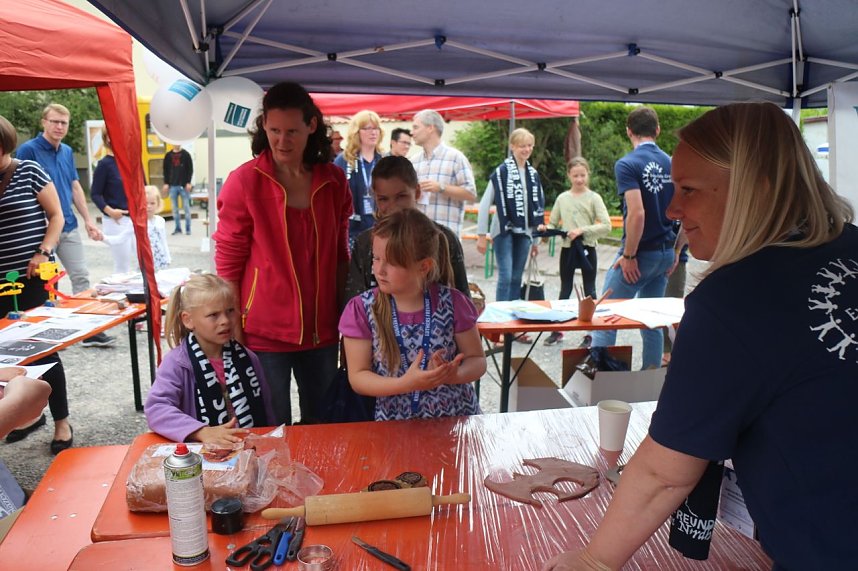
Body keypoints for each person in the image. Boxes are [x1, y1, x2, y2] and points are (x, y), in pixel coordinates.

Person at [543, 102, 858, 570]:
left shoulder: (738, 296)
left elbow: (664, 473)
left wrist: (592, 561)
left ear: (758, 190)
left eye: (688, 189)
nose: (672, 209)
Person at [214, 82, 352, 426]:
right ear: (264, 127)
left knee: (324, 426)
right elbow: (228, 264)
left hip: (322, 331)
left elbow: (340, 258)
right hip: (263, 333)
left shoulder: (334, 180)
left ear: (311, 126)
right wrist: (234, 328)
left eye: (291, 131)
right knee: (269, 430)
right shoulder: (244, 182)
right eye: (274, 130)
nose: (282, 141)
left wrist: (346, 322)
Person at [339, 209, 485, 421]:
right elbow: (358, 377)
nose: (379, 270)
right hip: (394, 427)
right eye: (376, 259)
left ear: (424, 266)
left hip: (455, 423)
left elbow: (477, 360)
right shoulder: (361, 310)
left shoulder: (454, 304)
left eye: (391, 262)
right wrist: (407, 383)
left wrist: (455, 375)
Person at [0, 114, 75, 454]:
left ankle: (61, 420)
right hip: (1, 284)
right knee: (5, 355)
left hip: (31, 280)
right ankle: (20, 415)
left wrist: (44, 252)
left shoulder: (28, 170)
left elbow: (57, 215)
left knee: (41, 349)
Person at [16, 103, 114, 348]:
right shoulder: (28, 150)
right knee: (47, 284)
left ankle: (89, 331)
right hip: (41, 230)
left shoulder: (67, 151)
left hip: (68, 225)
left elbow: (75, 186)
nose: (59, 126)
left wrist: (88, 221)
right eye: (54, 121)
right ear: (44, 122)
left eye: (64, 123)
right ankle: (45, 334)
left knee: (81, 276)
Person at [145, 274, 275, 444]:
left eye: (230, 311)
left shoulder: (248, 358)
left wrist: (271, 443)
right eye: (213, 315)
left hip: (249, 449)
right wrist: (201, 432)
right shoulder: (177, 363)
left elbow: (267, 409)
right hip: (201, 454)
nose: (225, 321)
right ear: (188, 320)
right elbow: (157, 408)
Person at [591, 106, 675, 369]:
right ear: (658, 130)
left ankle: (602, 378)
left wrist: (628, 255)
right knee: (651, 319)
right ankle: (649, 382)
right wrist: (677, 251)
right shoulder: (672, 163)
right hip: (665, 253)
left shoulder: (628, 164)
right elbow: (682, 211)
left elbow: (637, 214)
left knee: (606, 313)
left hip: (641, 253)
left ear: (629, 131)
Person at [345, 155, 470, 302]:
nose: (393, 207)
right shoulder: (365, 243)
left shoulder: (444, 239)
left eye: (401, 196)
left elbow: (462, 303)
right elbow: (352, 305)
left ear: (417, 192)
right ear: (375, 198)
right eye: (383, 199)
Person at [539, 158, 612, 346]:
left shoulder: (594, 198)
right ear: (569, 176)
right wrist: (545, 229)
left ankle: (591, 333)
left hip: (587, 247)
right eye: (575, 175)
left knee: (590, 290)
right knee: (565, 288)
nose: (579, 179)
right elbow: (553, 223)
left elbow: (606, 225)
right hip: (568, 248)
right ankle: (558, 329)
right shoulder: (563, 198)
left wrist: (583, 230)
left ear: (588, 174)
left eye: (582, 175)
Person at [477, 128, 545, 303]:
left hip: (525, 232)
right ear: (512, 147)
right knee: (506, 277)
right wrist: (481, 235)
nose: (526, 149)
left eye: (529, 145)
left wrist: (536, 241)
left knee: (516, 278)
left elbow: (538, 206)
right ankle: (501, 320)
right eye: (522, 146)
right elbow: (485, 203)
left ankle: (513, 323)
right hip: (503, 229)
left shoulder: (533, 174)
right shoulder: (501, 172)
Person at [410, 109, 477, 236]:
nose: (411, 132)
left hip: (446, 238)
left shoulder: (456, 158)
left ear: (430, 128)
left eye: (416, 127)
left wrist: (441, 188)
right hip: (418, 236)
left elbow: (471, 194)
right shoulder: (414, 161)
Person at [333, 110, 385, 244]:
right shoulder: (343, 161)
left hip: (381, 231)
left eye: (376, 128)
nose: (373, 132)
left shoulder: (385, 160)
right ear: (357, 132)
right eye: (367, 128)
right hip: (352, 232)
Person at [91, 125, 135, 274]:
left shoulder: (132, 161)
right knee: (122, 265)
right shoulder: (104, 165)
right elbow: (95, 194)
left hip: (136, 219)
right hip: (116, 220)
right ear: (107, 139)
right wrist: (110, 211)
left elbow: (143, 188)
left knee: (143, 263)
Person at [162, 144, 194, 235]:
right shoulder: (168, 156)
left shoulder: (186, 155)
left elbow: (190, 169)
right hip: (173, 186)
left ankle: (188, 229)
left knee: (186, 208)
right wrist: (166, 183)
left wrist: (188, 182)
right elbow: (165, 170)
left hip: (183, 186)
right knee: (174, 209)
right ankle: (177, 228)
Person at [145, 185, 171, 271]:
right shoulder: (138, 223)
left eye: (152, 203)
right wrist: (105, 238)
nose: (148, 206)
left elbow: (163, 241)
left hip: (161, 261)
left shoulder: (160, 221)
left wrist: (168, 258)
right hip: (146, 262)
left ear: (158, 204)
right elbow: (122, 238)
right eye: (145, 203)